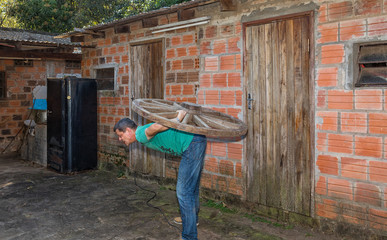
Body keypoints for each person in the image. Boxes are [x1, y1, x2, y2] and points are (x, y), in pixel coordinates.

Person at [114, 110, 206, 240]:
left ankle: (189, 236)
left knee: (183, 192)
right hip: (195, 139)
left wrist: (178, 118)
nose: (120, 139)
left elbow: (156, 126)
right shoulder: (141, 132)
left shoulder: (139, 134)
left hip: (192, 144)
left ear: (128, 130)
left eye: (120, 135)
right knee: (191, 187)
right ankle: (192, 220)